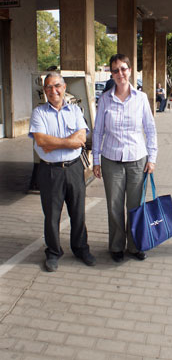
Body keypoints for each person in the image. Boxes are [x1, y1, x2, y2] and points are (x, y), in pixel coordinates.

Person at [92, 54, 157, 263]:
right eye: (115, 70)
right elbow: (97, 132)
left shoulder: (141, 99)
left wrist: (152, 157)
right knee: (114, 205)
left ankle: (136, 245)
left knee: (136, 205)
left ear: (130, 71)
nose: (120, 73)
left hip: (137, 159)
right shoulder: (104, 99)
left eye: (123, 69)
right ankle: (117, 246)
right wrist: (95, 160)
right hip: (111, 159)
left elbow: (150, 129)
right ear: (111, 74)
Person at [29, 72, 96, 272]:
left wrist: (55, 143)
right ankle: (53, 252)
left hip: (75, 168)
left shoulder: (75, 110)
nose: (53, 91)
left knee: (78, 212)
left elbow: (82, 138)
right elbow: (41, 141)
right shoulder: (38, 113)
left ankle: (80, 248)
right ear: (44, 91)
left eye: (56, 86)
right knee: (51, 215)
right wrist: (69, 142)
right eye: (48, 87)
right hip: (50, 172)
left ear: (64, 87)